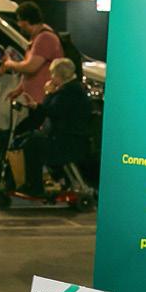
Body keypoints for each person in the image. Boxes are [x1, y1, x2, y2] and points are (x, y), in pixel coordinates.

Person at [16, 56, 92, 199]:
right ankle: (35, 182)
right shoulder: (71, 89)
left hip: (68, 142)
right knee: (29, 138)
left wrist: (48, 94)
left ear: (59, 75)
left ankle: (35, 186)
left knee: (32, 145)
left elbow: (52, 111)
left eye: (52, 74)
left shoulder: (69, 92)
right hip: (67, 138)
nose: (51, 77)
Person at [0, 0, 62, 107]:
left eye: (19, 20)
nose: (19, 24)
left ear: (26, 21)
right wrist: (19, 90)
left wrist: (10, 63)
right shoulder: (37, 37)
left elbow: (30, 67)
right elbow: (29, 71)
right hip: (35, 100)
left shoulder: (45, 38)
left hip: (42, 102)